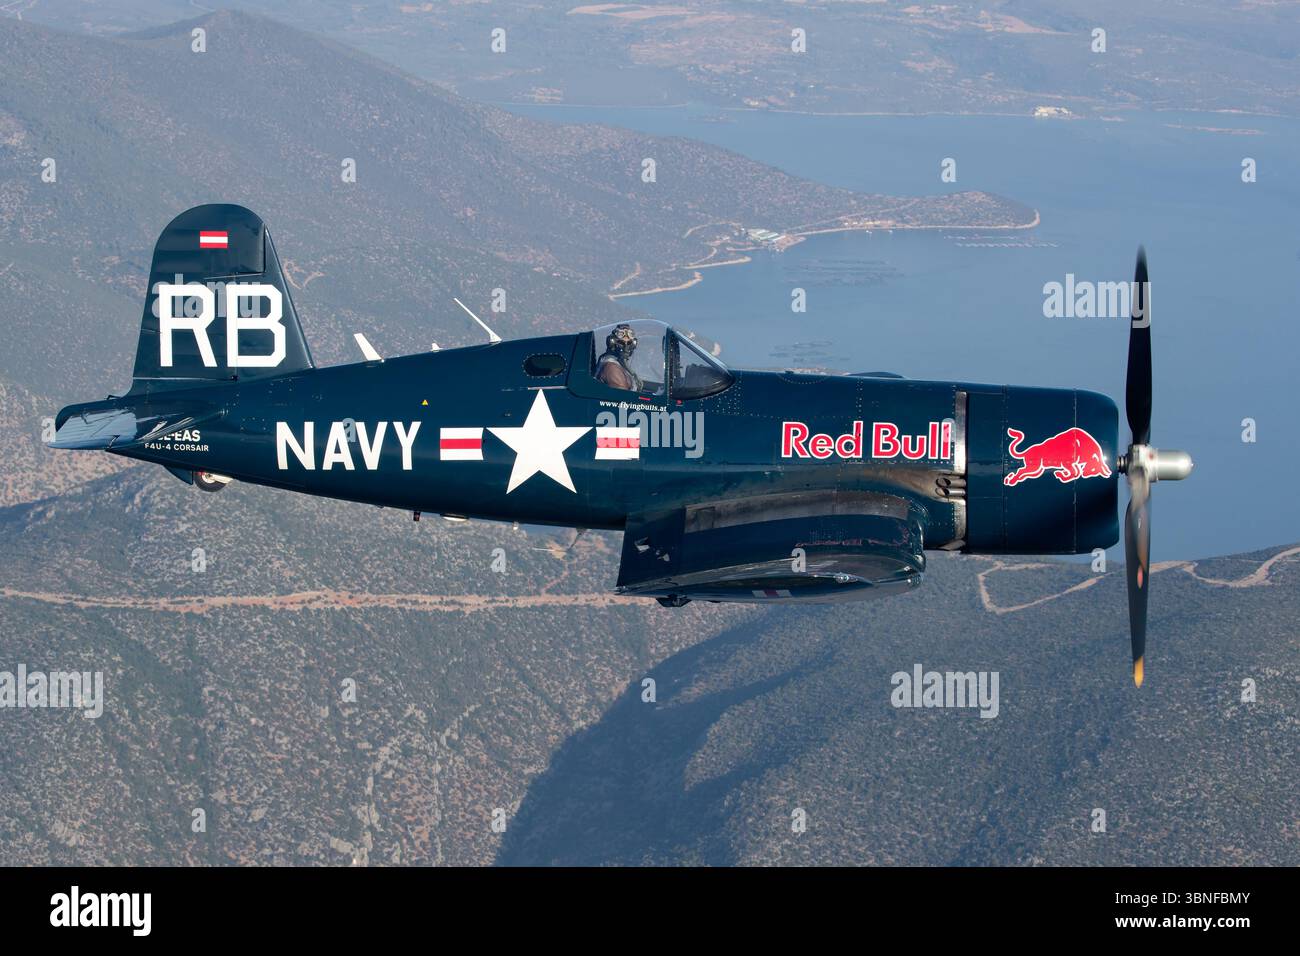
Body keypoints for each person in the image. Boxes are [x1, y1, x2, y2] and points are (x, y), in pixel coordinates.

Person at [596, 323, 642, 390]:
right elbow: (623, 397)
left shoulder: (620, 364)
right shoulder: (612, 368)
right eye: (621, 343)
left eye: (629, 343)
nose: (626, 348)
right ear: (612, 343)